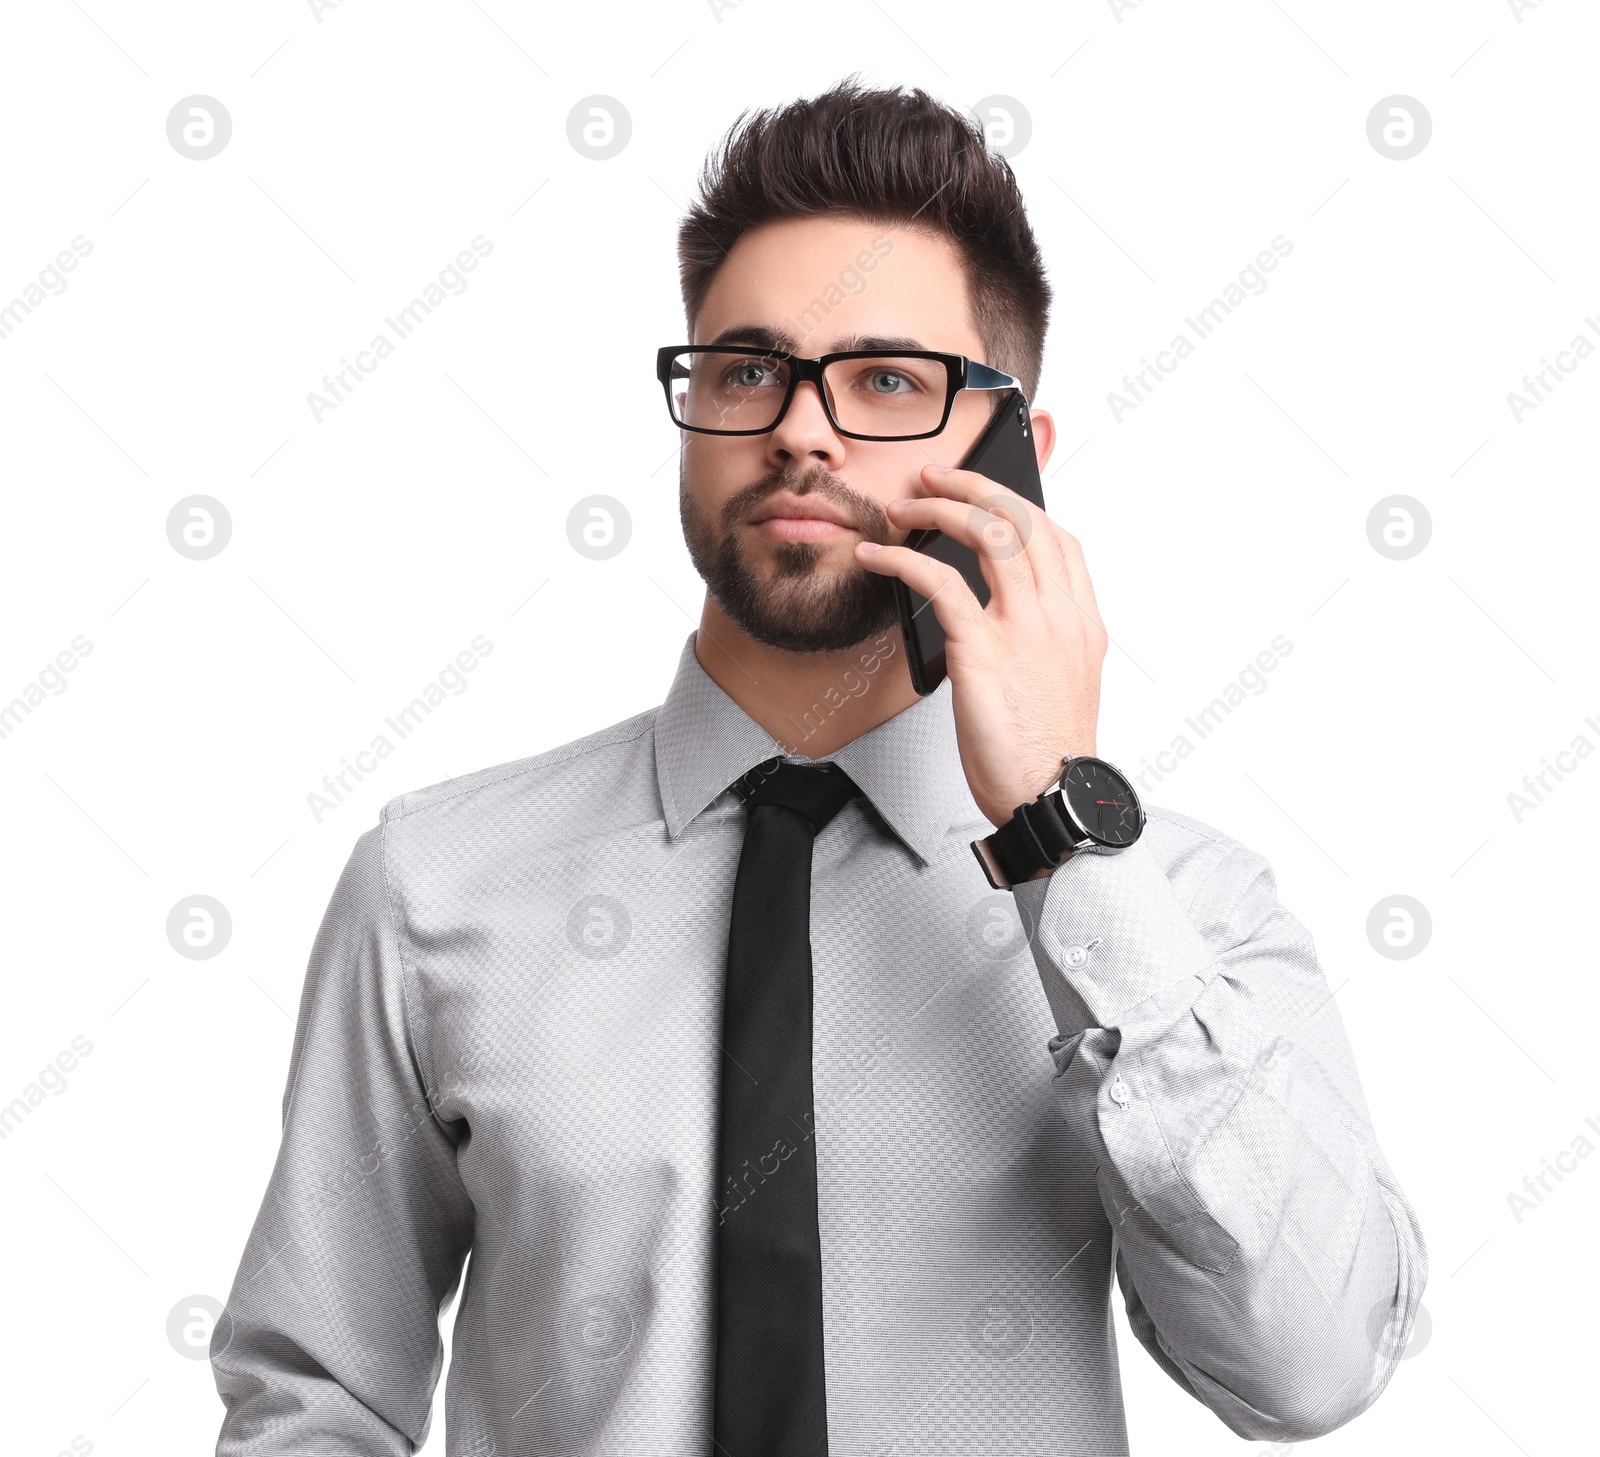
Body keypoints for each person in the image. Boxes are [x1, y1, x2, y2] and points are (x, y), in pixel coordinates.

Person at [211, 79, 1427, 1455]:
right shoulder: (435, 882)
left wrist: (1063, 828)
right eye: (747, 369)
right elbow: (314, 1396)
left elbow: (1312, 1367)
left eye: (887, 380)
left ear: (1014, 461)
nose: (802, 427)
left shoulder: (1182, 906)